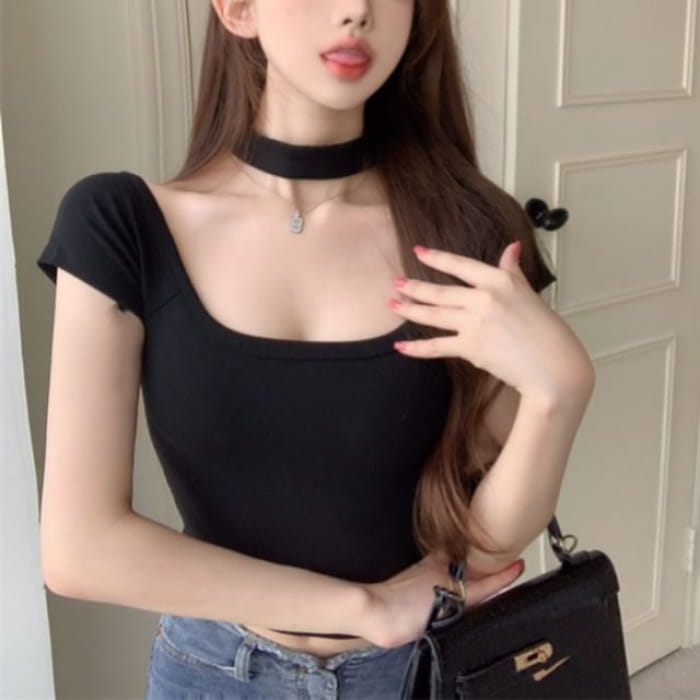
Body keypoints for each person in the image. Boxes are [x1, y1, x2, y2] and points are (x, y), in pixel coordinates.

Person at [36, 0, 595, 697]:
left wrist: (561, 392)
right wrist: (364, 608)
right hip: (212, 675)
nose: (356, 10)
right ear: (238, 9)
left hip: (419, 671)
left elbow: (482, 550)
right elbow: (80, 549)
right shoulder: (122, 225)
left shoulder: (471, 230)